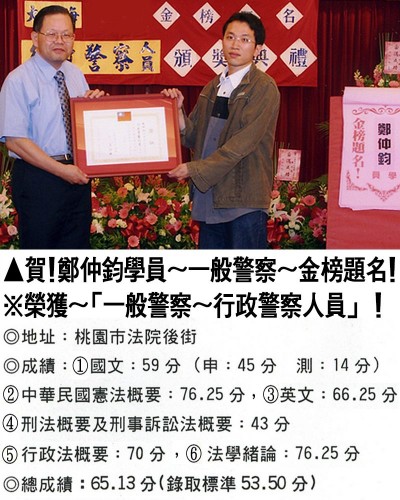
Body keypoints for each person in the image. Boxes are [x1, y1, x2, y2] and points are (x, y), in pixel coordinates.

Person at [162, 11, 280, 249]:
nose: (235, 45)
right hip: (211, 199)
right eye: (230, 37)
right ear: (222, 41)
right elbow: (194, 136)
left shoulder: (263, 88)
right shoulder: (213, 87)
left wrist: (193, 168)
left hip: (243, 200)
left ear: (257, 49)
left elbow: (241, 145)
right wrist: (177, 112)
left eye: (245, 39)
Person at [0, 5, 105, 249]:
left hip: (76, 176)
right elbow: (15, 141)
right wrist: (61, 170)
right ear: (35, 37)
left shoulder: (75, 75)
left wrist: (97, 110)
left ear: (73, 39)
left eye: (66, 34)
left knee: (77, 250)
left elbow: (82, 127)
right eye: (52, 34)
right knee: (41, 250)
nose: (59, 40)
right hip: (39, 178)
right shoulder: (18, 80)